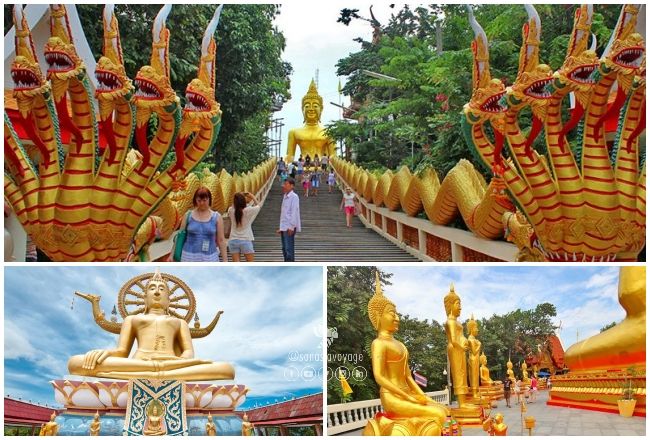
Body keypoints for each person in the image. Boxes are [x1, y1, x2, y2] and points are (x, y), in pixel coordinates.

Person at [67, 269, 235, 381]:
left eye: (162, 289)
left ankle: (151, 373)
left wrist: (176, 362)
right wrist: (103, 353)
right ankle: (153, 372)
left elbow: (188, 354)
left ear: (169, 300)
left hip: (173, 364)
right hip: (140, 363)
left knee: (227, 369)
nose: (156, 292)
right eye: (152, 289)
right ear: (144, 298)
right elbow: (121, 352)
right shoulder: (132, 320)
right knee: (75, 362)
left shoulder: (179, 322)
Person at [367, 272, 448, 435]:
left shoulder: (400, 345)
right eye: (392, 313)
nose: (397, 318)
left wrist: (423, 396)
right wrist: (408, 397)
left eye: (396, 313)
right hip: (392, 397)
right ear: (378, 316)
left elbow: (408, 376)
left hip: (407, 392)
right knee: (438, 414)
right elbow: (380, 377)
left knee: (444, 409)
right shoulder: (379, 344)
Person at [178, 187, 227, 262]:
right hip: (188, 256)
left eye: (204, 200)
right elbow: (180, 236)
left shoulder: (216, 217)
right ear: (195, 200)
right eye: (199, 200)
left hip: (209, 257)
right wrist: (172, 255)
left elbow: (221, 240)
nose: (201, 203)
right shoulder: (188, 215)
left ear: (209, 199)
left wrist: (225, 260)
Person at [227, 192, 261, 262]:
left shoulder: (231, 210)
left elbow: (232, 206)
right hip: (245, 240)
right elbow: (258, 206)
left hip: (233, 240)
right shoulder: (248, 210)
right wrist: (252, 196)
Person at [277, 178, 301, 262]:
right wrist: (281, 227)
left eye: (286, 184)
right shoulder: (285, 196)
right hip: (284, 227)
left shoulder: (294, 197)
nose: (284, 186)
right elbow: (284, 214)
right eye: (284, 184)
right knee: (284, 248)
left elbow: (294, 212)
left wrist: (292, 226)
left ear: (292, 186)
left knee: (289, 249)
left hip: (289, 227)